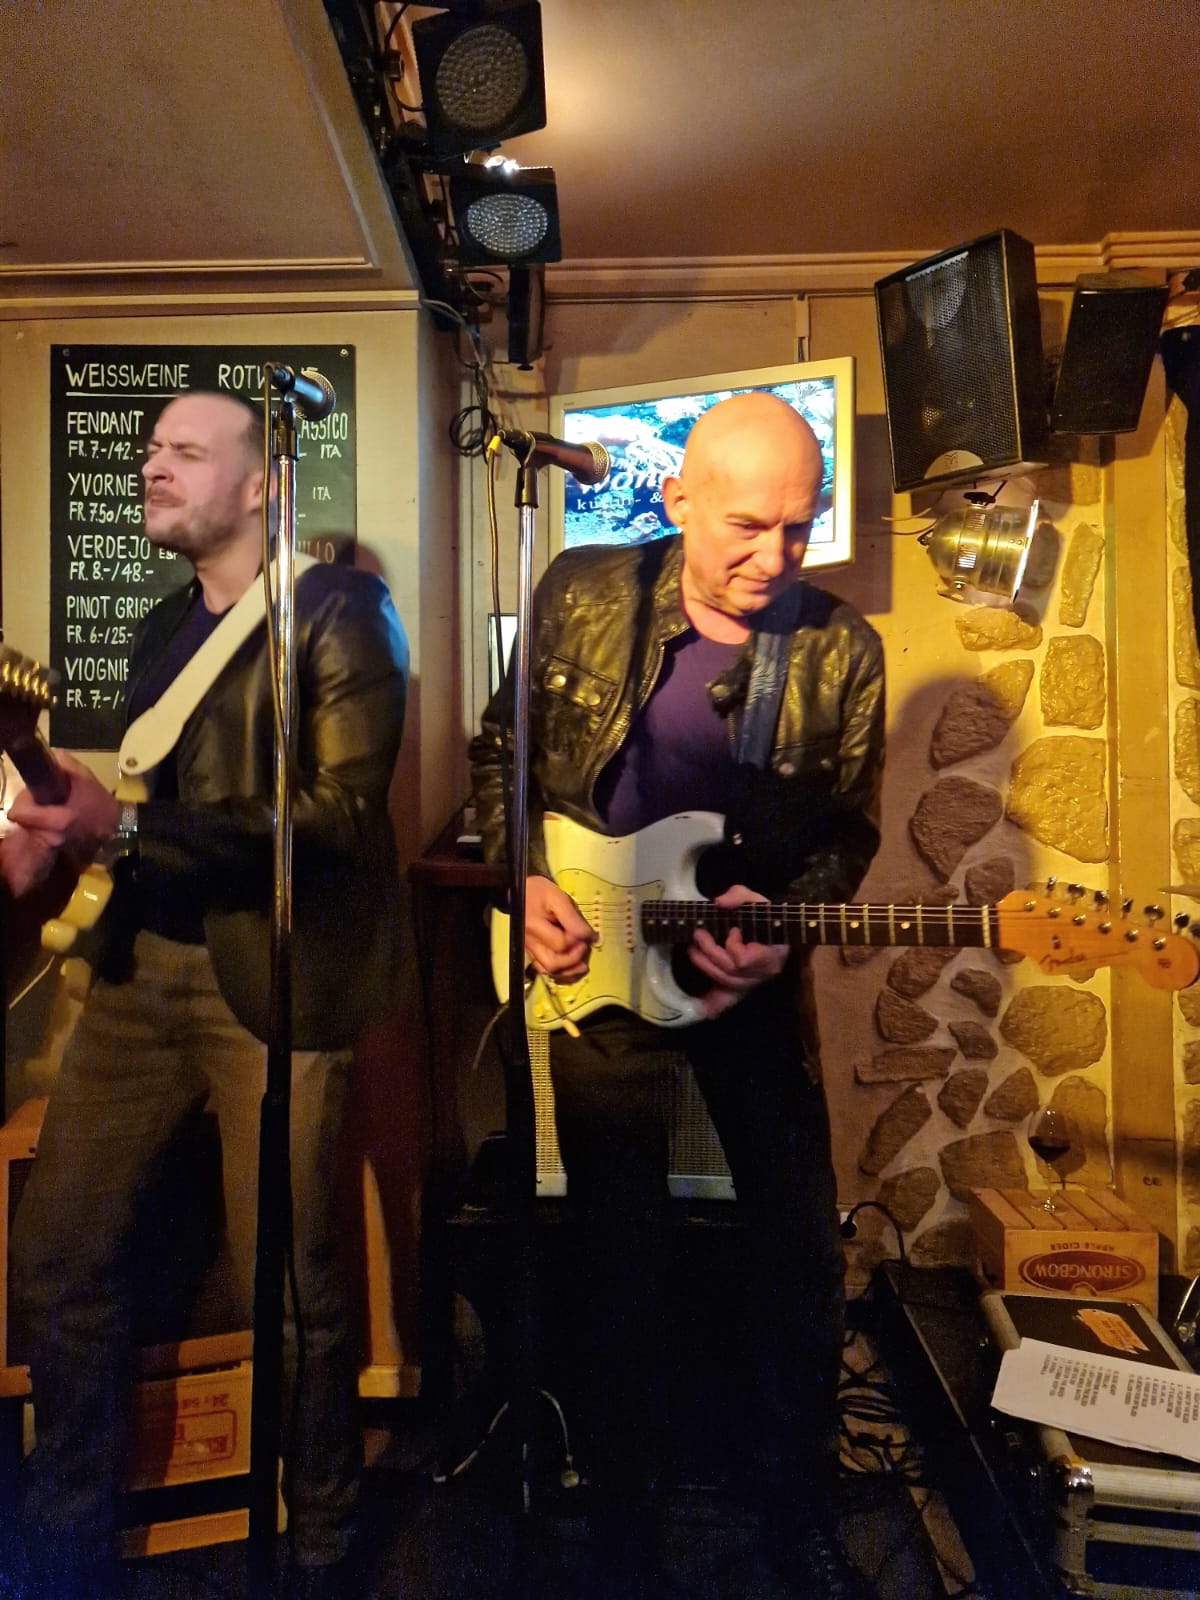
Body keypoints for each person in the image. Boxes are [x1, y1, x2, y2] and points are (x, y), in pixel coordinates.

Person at [470, 392, 886, 1598]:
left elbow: (847, 838)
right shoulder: (581, 591)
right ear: (677, 498)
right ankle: (624, 1529)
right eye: (747, 526)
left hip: (742, 977)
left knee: (797, 1249)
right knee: (621, 1253)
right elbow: (500, 757)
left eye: (799, 527)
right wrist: (522, 878)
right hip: (595, 966)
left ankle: (793, 1510)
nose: (776, 556)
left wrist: (786, 920)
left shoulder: (839, 650)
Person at [3, 390, 409, 1600]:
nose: (151, 464)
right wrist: (60, 817)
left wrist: (126, 827)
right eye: (149, 449)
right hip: (143, 976)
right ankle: (68, 1542)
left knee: (291, 1283)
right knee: (57, 1255)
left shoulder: (341, 612)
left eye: (186, 450)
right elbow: (145, 811)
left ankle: (321, 1541)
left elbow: (339, 819)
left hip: (274, 981)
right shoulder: (157, 631)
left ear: (260, 486)